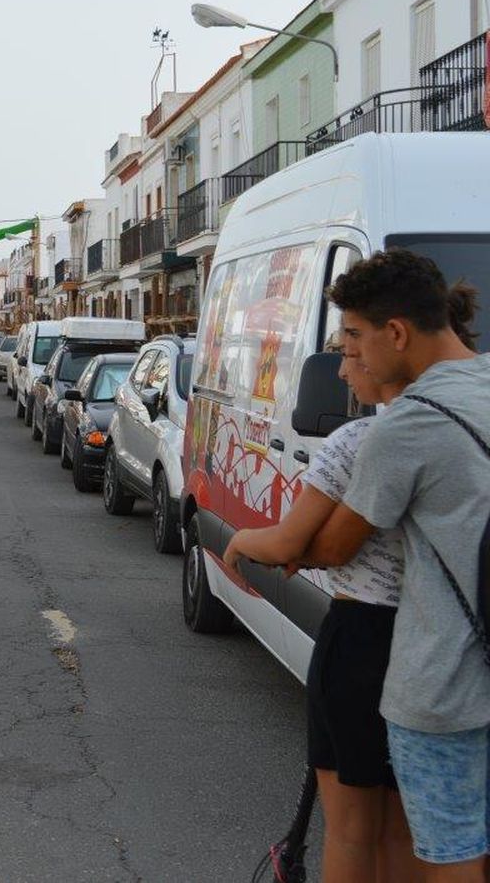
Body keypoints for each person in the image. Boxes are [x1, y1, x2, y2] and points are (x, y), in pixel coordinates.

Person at [292, 250, 488, 878]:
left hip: (442, 683)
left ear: (396, 332)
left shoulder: (406, 424)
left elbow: (329, 546)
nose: (351, 357)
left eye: (354, 336)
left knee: (446, 856)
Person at [224, 348, 420, 882]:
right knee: (406, 831)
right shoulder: (451, 431)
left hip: (361, 640)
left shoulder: (361, 441)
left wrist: (241, 540)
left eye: (351, 348)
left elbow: (299, 541)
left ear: (391, 342)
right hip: (427, 638)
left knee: (352, 830)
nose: (340, 369)